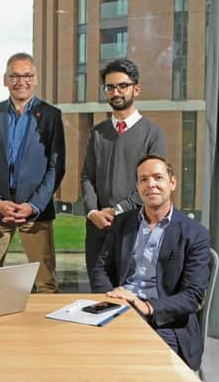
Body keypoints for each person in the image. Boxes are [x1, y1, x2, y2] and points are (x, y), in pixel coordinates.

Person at [91, 154, 211, 371]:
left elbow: (192, 296)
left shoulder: (195, 234)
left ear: (172, 183)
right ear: (137, 186)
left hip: (165, 321)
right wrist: (112, 301)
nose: (151, 184)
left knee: (138, 365)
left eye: (158, 177)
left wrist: (146, 306)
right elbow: (101, 269)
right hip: (119, 311)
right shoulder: (122, 223)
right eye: (143, 179)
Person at [0, 52, 65, 293]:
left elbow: (57, 167)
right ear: (5, 79)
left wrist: (34, 205)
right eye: (14, 76)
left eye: (27, 75)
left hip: (35, 212)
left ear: (35, 80)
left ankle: (41, 331)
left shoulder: (52, 116)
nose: (21, 81)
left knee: (45, 283)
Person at [81, 58, 166, 277]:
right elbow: (87, 177)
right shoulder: (96, 133)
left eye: (122, 86)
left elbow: (153, 185)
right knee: (99, 296)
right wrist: (92, 212)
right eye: (110, 87)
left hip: (135, 227)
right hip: (98, 229)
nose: (115, 92)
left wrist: (117, 210)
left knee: (132, 294)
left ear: (136, 89)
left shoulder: (152, 133)